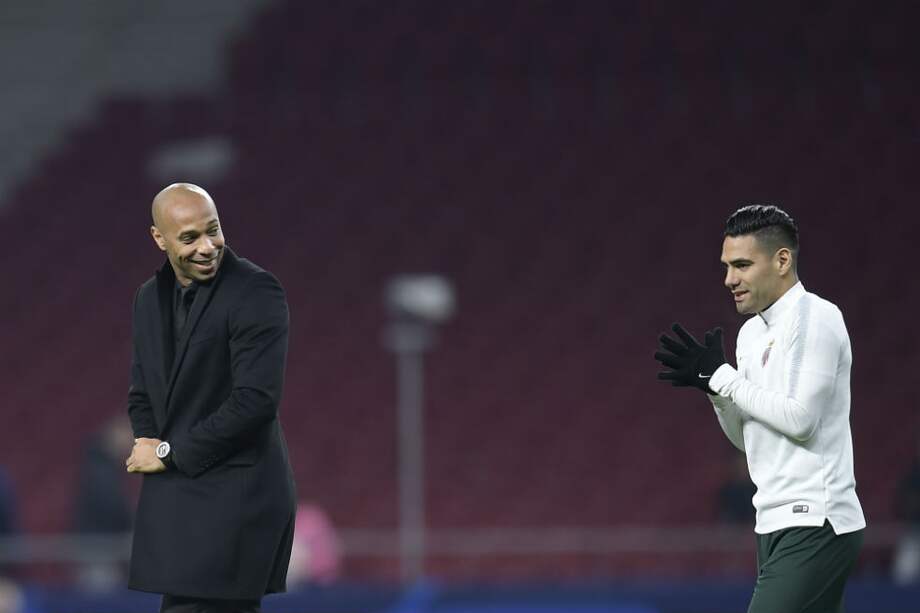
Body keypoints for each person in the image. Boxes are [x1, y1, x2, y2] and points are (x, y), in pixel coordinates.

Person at [654, 204, 865, 613]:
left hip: (816, 521)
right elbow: (748, 438)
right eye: (727, 266)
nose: (729, 279)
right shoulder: (751, 334)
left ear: (782, 260)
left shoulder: (817, 317)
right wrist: (714, 392)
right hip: (771, 523)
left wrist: (722, 378)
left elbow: (800, 420)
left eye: (743, 265)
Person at [125, 183, 296, 613]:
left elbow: (255, 403)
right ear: (159, 239)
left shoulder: (256, 291)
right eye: (189, 238)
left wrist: (166, 451)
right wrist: (146, 436)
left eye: (213, 230)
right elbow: (142, 390)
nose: (207, 247)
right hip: (181, 504)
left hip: (236, 501)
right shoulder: (147, 299)